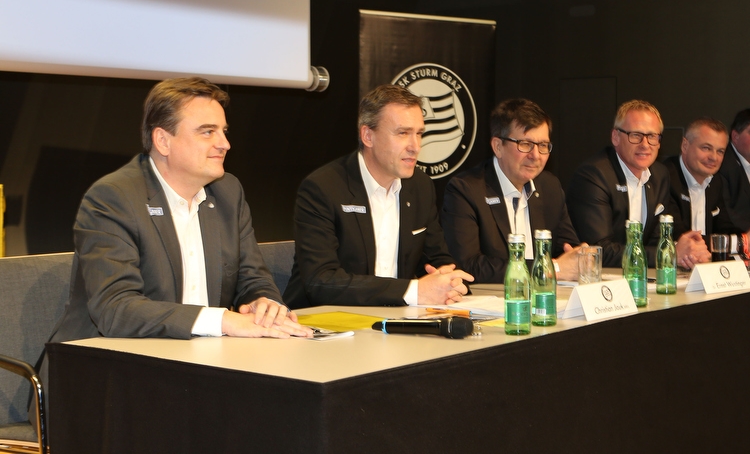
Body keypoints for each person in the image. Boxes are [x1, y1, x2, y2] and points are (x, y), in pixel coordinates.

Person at [50, 77, 311, 344]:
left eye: (224, 131)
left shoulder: (227, 192)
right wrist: (223, 320)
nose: (224, 144)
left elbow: (252, 278)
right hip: (104, 364)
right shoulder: (114, 197)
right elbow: (115, 308)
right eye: (208, 132)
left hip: (199, 357)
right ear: (163, 140)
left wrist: (262, 302)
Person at [283, 85, 472, 308]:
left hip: (397, 321)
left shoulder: (420, 187)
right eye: (403, 133)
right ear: (368, 136)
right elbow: (321, 282)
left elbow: (436, 258)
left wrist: (447, 278)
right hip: (325, 324)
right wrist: (412, 291)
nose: (415, 146)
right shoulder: (323, 188)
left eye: (419, 133)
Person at [441, 98, 582, 283]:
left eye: (543, 146)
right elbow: (468, 265)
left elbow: (566, 250)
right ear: (498, 146)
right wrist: (550, 269)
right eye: (525, 144)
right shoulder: (466, 190)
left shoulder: (550, 187)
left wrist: (579, 257)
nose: (535, 156)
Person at [567, 101, 710, 270]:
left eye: (652, 136)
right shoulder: (593, 175)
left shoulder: (660, 175)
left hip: (640, 277)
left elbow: (655, 241)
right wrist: (669, 254)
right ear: (615, 137)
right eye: (635, 135)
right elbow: (599, 250)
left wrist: (688, 252)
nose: (645, 144)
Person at [662, 117, 750, 259]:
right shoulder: (664, 178)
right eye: (706, 148)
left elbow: (724, 227)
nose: (714, 158)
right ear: (685, 145)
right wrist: (742, 242)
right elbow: (682, 239)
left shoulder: (715, 180)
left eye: (720, 151)